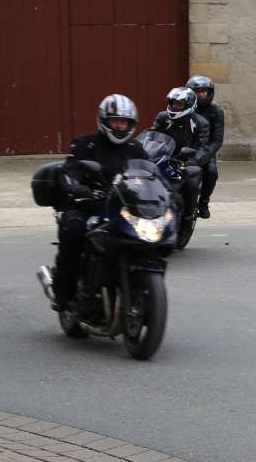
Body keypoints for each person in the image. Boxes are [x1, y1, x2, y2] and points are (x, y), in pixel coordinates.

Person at [46, 94, 148, 312]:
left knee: (149, 236)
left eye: (124, 122)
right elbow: (70, 170)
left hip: (123, 208)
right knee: (73, 230)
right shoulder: (85, 144)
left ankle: (142, 286)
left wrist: (167, 192)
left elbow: (151, 175)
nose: (119, 126)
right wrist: (76, 187)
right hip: (88, 205)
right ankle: (63, 292)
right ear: (103, 120)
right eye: (115, 121)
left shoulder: (136, 149)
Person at [152, 86, 209, 217]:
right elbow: (151, 135)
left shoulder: (201, 123)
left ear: (189, 105)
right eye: (173, 103)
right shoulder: (162, 117)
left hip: (185, 162)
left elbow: (202, 148)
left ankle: (188, 216)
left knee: (193, 178)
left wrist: (191, 161)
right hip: (163, 158)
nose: (175, 106)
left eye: (179, 104)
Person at [187, 74, 224, 218]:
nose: (201, 94)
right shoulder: (185, 107)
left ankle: (203, 202)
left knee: (211, 172)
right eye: (198, 91)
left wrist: (204, 155)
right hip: (185, 147)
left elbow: (217, 140)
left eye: (204, 91)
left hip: (206, 149)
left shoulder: (216, 112)